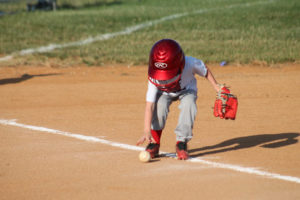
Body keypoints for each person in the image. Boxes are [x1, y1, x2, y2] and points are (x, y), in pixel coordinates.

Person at [136, 39, 226, 160]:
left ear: (181, 65)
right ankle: (154, 142)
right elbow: (149, 106)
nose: (165, 80)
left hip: (187, 90)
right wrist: (147, 130)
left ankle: (181, 143)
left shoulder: (191, 63)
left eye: (168, 75)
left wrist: (216, 87)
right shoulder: (154, 77)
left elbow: (205, 71)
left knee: (189, 104)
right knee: (160, 105)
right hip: (164, 93)